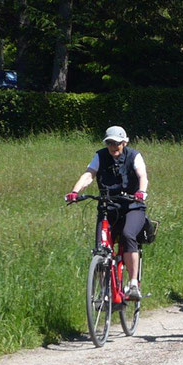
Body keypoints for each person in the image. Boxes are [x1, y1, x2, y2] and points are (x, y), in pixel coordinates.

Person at [65, 126, 149, 300]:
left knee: (127, 235)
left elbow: (142, 175)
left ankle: (133, 284)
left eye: (117, 144)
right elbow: (89, 174)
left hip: (132, 206)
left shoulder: (134, 156)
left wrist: (141, 192)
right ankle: (104, 290)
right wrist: (75, 191)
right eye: (110, 143)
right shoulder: (100, 156)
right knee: (100, 249)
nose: (113, 147)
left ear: (124, 143)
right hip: (107, 207)